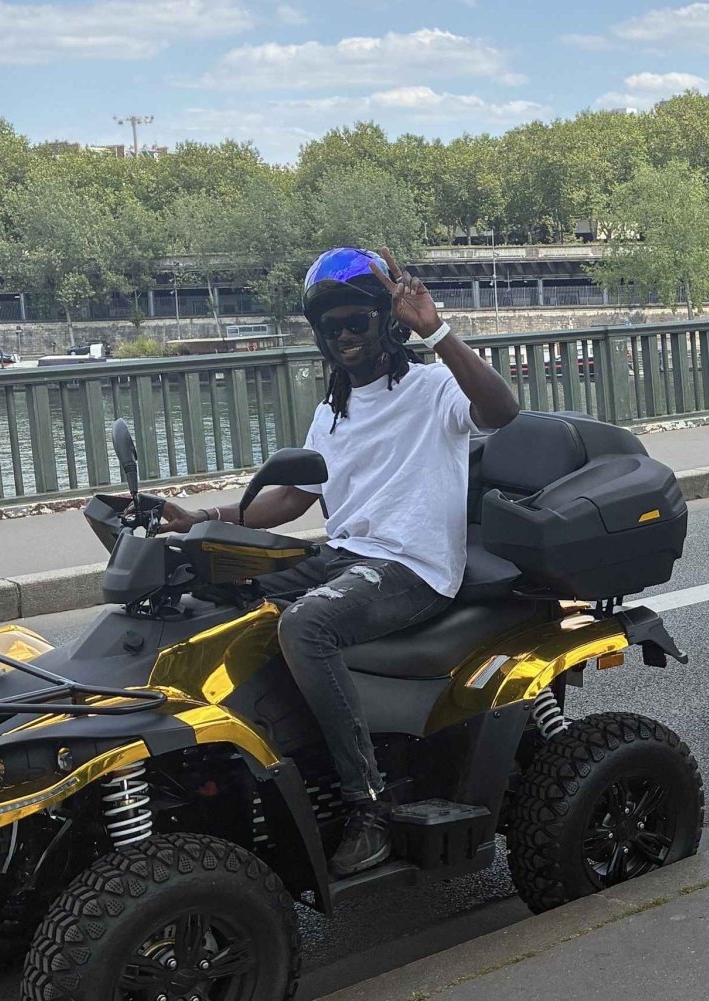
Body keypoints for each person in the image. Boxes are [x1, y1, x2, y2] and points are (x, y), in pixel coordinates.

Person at [160, 246, 519, 877]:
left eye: (357, 322)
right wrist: (204, 522)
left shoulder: (433, 387)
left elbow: (501, 412)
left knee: (306, 624)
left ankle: (368, 806)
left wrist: (435, 331)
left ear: (384, 323)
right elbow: (297, 495)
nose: (346, 336)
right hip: (343, 556)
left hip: (413, 568)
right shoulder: (334, 408)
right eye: (332, 328)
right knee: (214, 594)